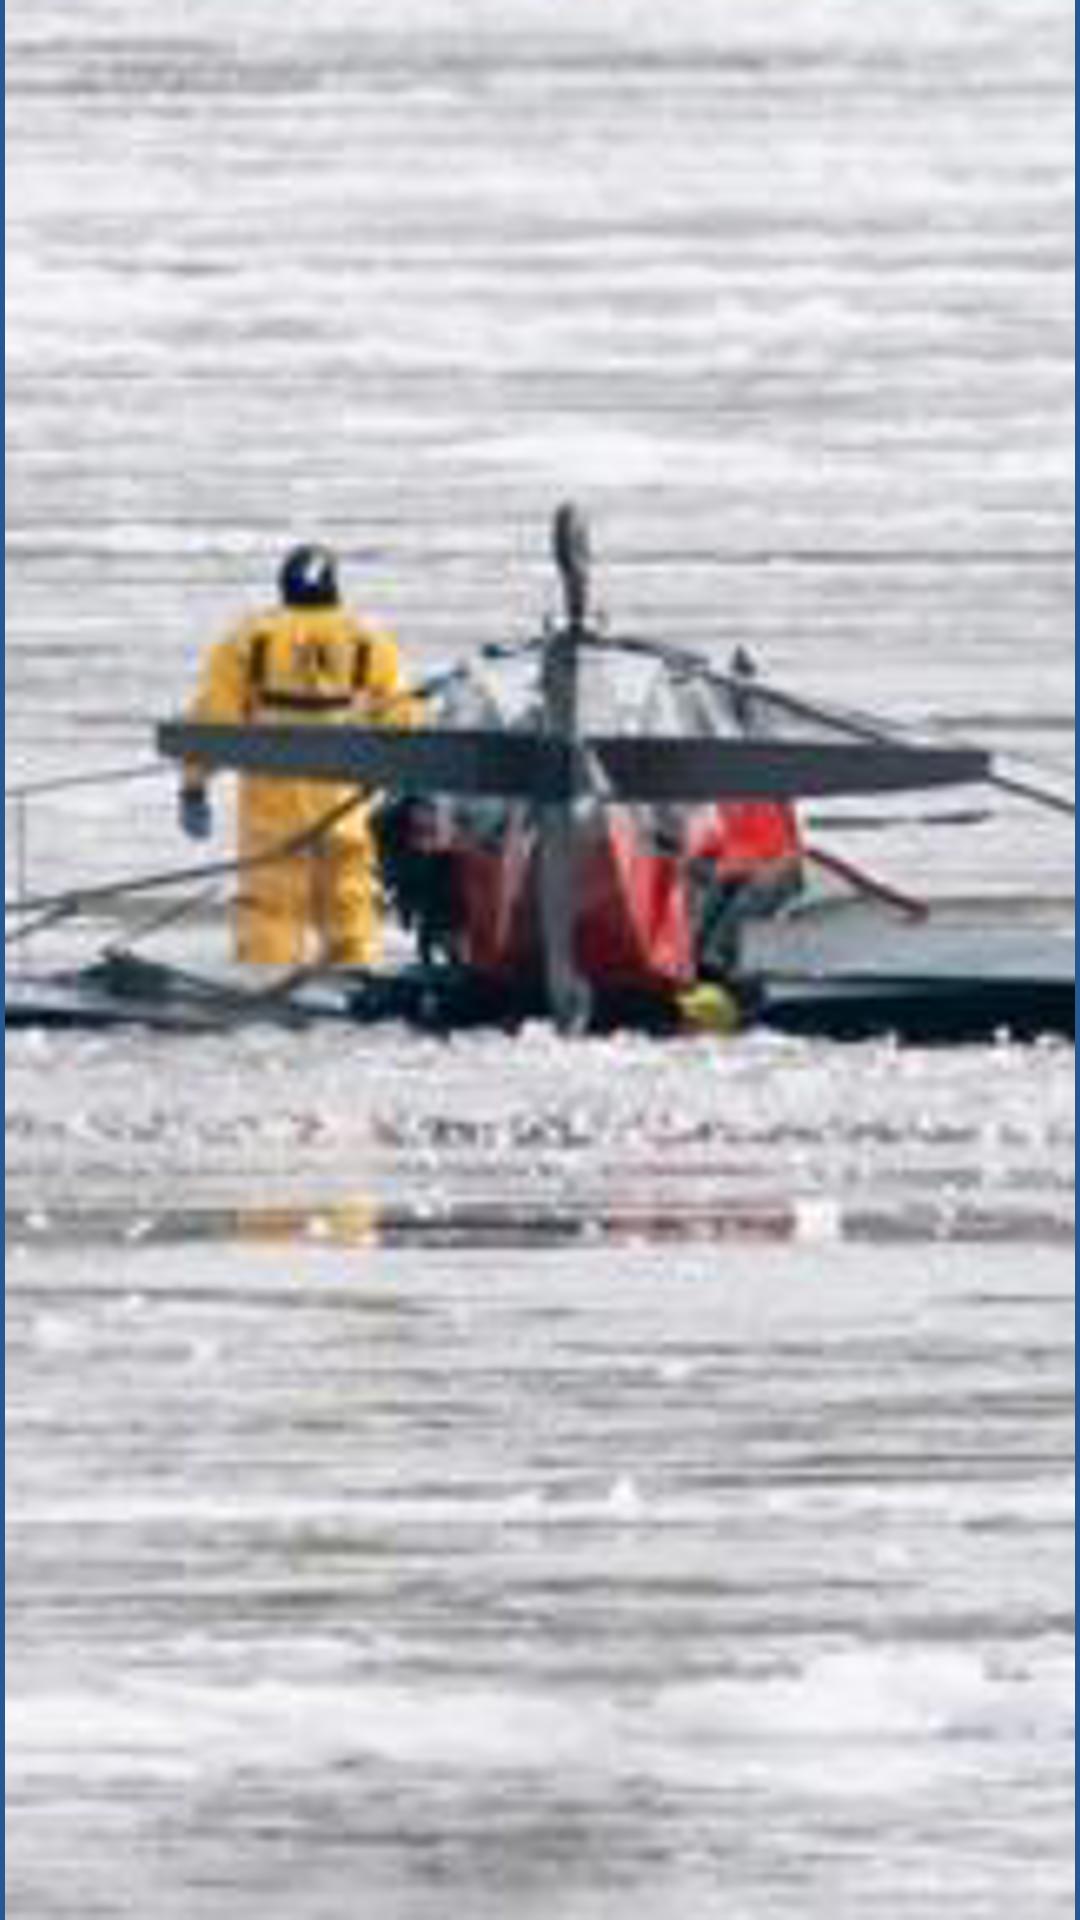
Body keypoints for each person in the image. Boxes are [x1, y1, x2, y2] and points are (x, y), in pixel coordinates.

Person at [178, 543, 417, 968]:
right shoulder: (369, 641)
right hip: (344, 809)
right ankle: (356, 985)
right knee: (349, 907)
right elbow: (404, 723)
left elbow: (213, 725)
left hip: (272, 813)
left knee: (269, 914)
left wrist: (193, 789)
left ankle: (264, 989)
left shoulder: (246, 640)